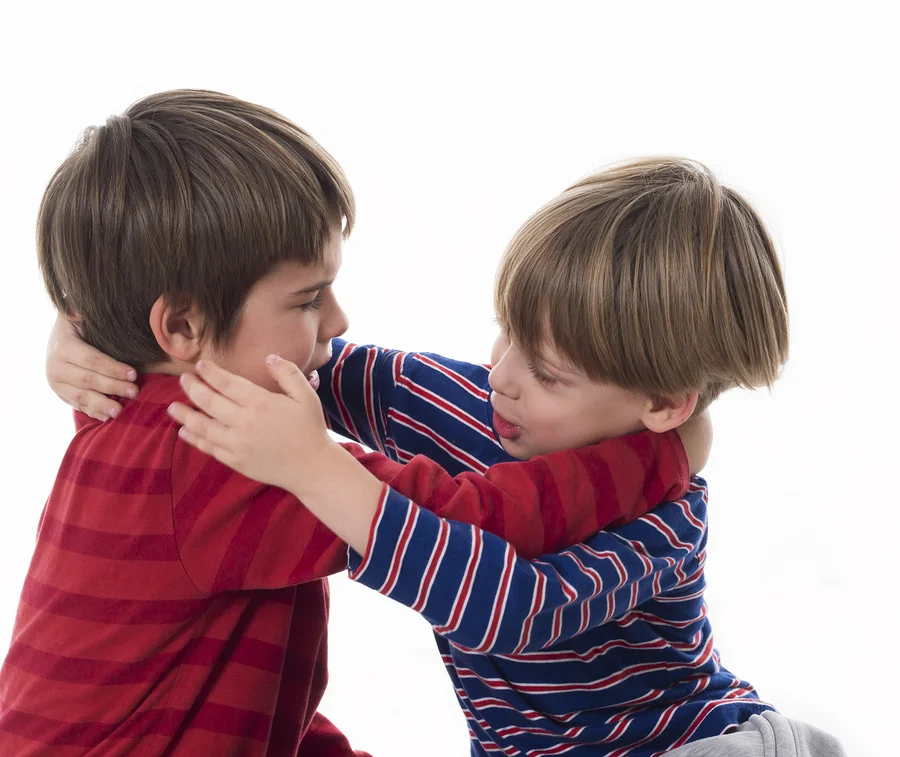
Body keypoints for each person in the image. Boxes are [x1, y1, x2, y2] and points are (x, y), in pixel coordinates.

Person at [0, 90, 701, 757]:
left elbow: (211, 693)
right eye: (308, 299)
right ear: (180, 323)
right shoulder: (229, 460)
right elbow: (478, 521)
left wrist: (77, 327)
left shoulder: (120, 401)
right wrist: (660, 455)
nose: (338, 321)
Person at [155, 159, 841, 756]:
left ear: (662, 405)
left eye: (546, 371)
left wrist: (317, 470)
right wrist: (95, 338)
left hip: (681, 742)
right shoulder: (478, 402)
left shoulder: (665, 526)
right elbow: (295, 362)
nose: (500, 374)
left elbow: (509, 608)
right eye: (504, 329)